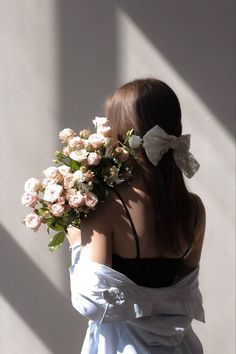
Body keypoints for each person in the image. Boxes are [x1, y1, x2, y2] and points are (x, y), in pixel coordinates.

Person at [67, 78, 206, 354]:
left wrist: (75, 240)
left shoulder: (108, 206)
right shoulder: (193, 210)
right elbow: (183, 296)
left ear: (122, 133)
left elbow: (91, 302)